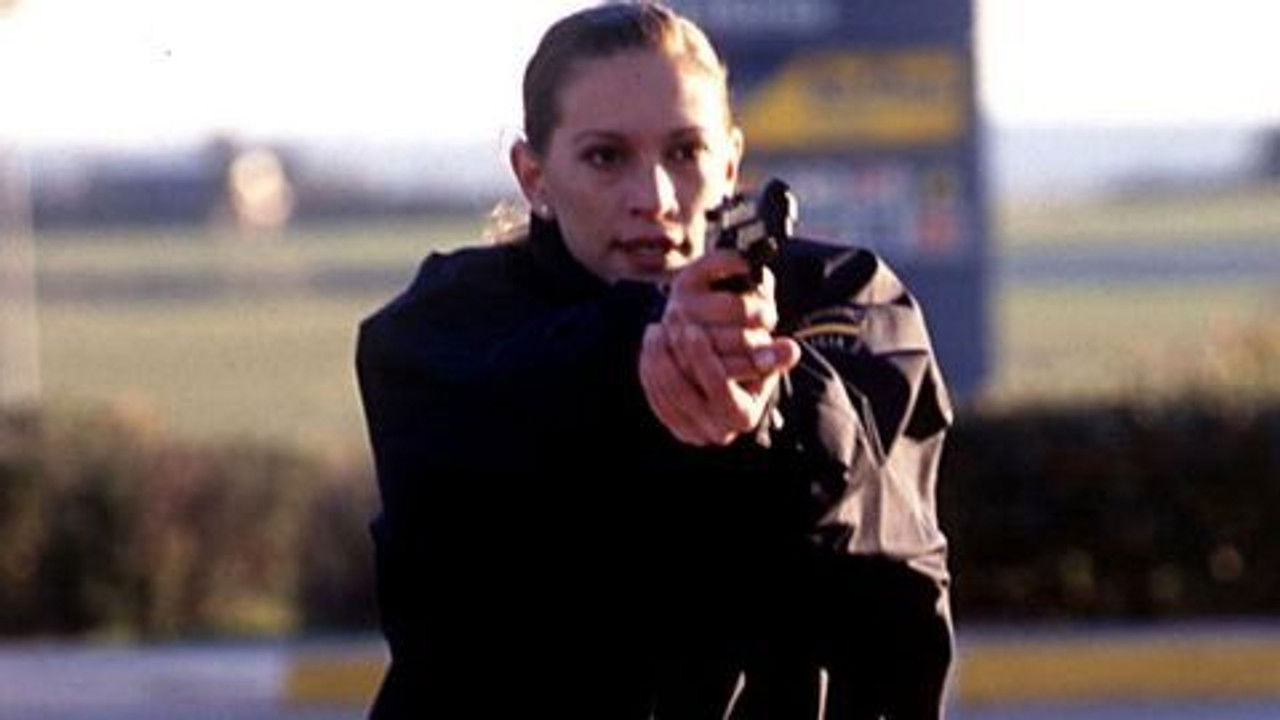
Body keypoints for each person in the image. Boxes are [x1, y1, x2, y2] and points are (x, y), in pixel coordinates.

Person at [355, 3, 954, 718]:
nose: (656, 198)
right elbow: (485, 490)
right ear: (533, 175)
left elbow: (890, 545)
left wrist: (774, 403)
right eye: (606, 158)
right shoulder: (444, 329)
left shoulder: (846, 299)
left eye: (685, 152)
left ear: (730, 162)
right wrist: (643, 354)